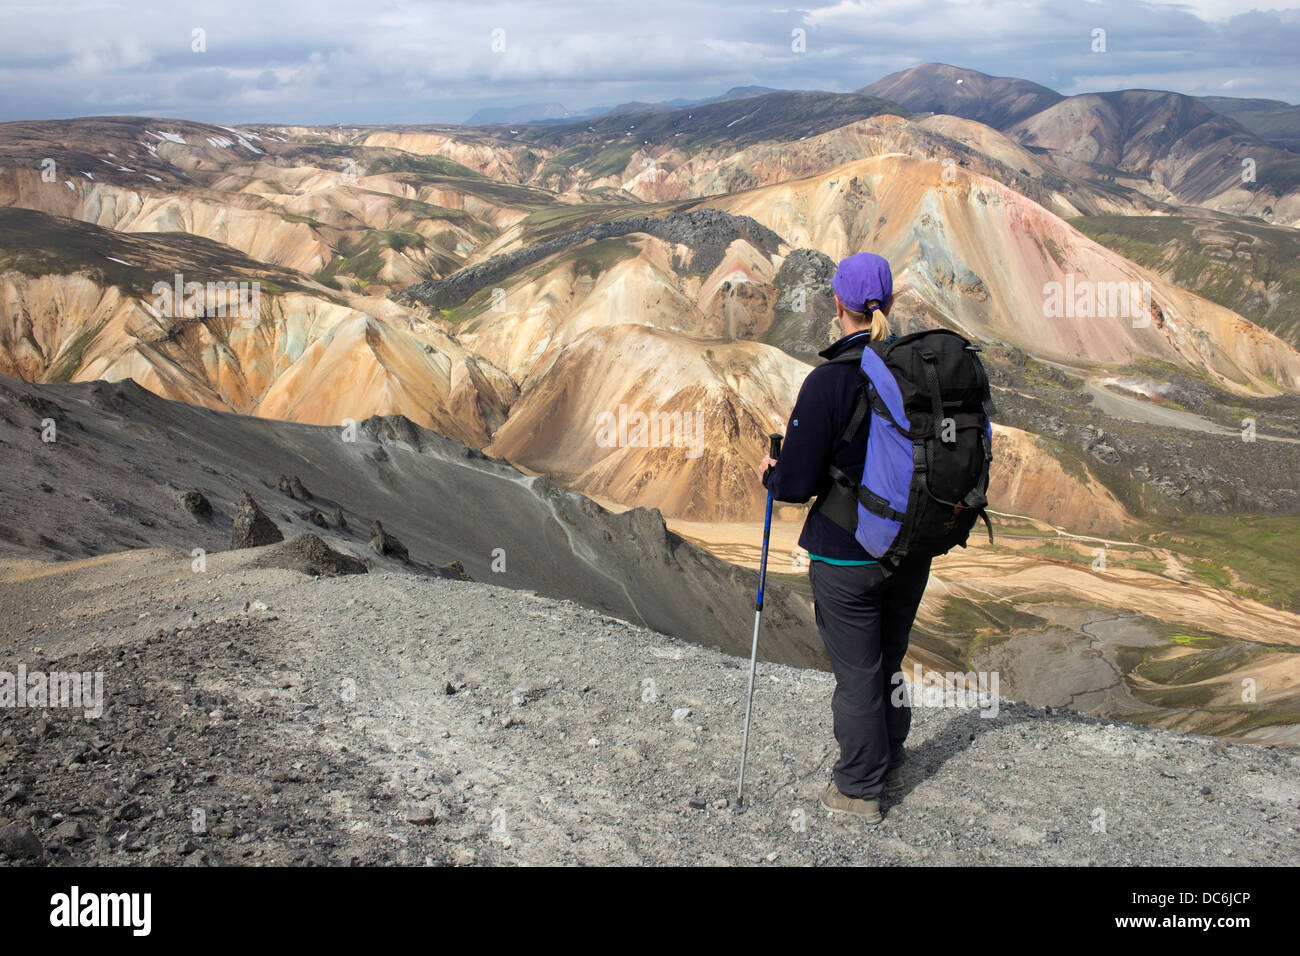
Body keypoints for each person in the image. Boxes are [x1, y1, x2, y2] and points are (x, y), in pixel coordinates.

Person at [758, 252, 932, 825]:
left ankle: (859, 788)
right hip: (911, 549)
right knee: (889, 657)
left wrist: (772, 472)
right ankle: (892, 753)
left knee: (856, 671)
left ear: (839, 306)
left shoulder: (829, 381)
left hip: (847, 552)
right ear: (890, 304)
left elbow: (797, 483)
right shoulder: (916, 373)